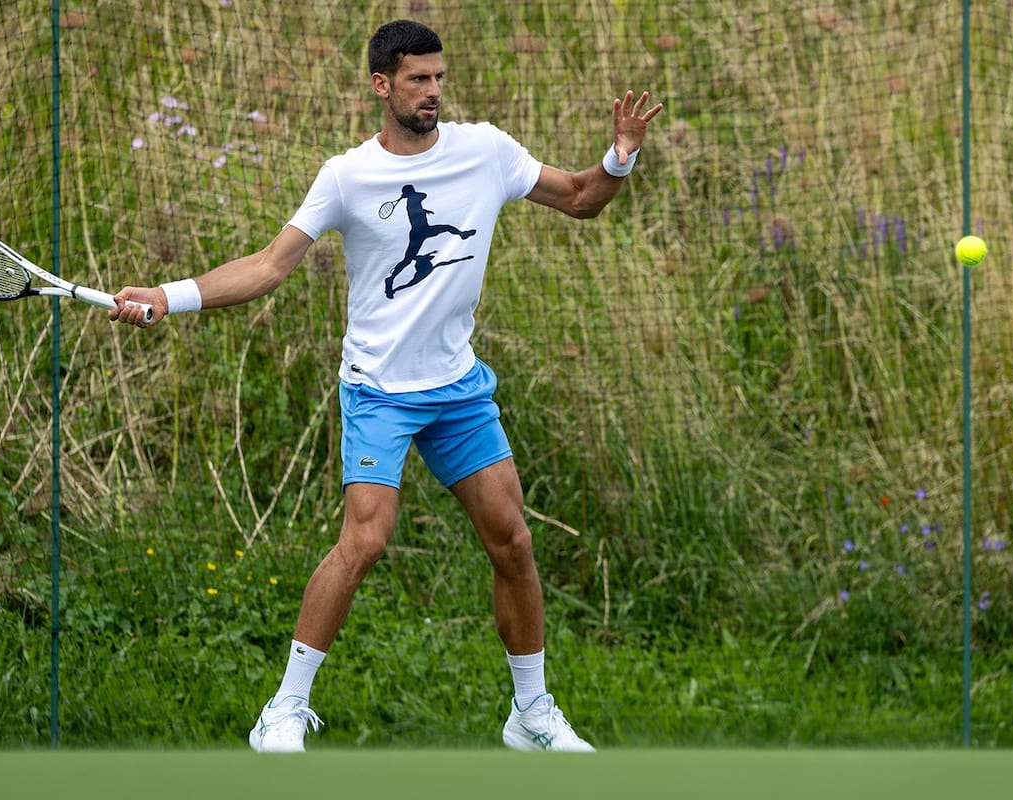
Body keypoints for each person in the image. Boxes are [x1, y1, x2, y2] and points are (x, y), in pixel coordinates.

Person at [112, 19, 662, 753]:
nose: (433, 91)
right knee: (366, 540)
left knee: (513, 540)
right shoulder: (347, 176)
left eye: (439, 78)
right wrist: (168, 295)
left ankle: (531, 714)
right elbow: (269, 266)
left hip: (457, 389)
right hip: (378, 389)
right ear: (382, 84)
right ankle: (282, 710)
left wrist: (620, 157)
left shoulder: (486, 151)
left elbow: (583, 198)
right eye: (417, 79)